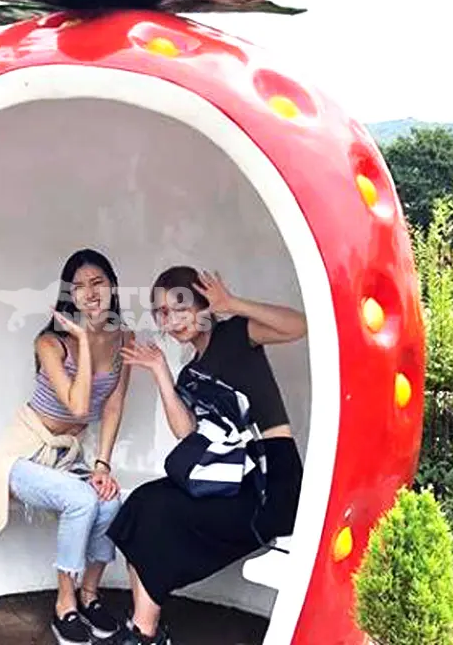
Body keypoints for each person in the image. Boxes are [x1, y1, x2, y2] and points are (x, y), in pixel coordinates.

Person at [106, 266, 307, 645]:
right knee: (142, 503)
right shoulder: (190, 373)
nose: (173, 320)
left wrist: (232, 304)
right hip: (228, 477)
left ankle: (144, 634)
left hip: (269, 482)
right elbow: (188, 434)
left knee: (160, 513)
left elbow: (298, 326)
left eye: (180, 307)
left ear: (203, 304)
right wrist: (162, 372)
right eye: (162, 313)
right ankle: (144, 629)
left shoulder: (235, 334)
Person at [0, 248, 135, 645]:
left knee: (109, 500)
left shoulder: (124, 338)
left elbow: (114, 404)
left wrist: (102, 464)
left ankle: (90, 594)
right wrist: (83, 341)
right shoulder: (51, 343)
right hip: (24, 453)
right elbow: (81, 405)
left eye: (97, 282)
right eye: (80, 286)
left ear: (112, 286)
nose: (89, 293)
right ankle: (64, 602)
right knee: (82, 500)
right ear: (70, 295)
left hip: (68, 455)